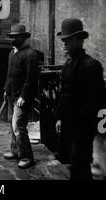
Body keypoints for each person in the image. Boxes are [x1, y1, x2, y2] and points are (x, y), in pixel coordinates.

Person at [55, 18, 105, 180]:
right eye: (63, 40)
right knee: (71, 160)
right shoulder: (67, 66)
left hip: (84, 125)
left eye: (67, 40)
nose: (64, 44)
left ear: (79, 41)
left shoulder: (92, 65)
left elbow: (98, 98)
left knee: (79, 162)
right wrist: (60, 118)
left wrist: (80, 117)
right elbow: (64, 94)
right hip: (69, 123)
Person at [3, 24, 39, 169]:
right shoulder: (12, 54)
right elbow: (9, 75)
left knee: (19, 126)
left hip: (22, 97)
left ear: (23, 37)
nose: (12, 39)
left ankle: (27, 157)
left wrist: (24, 96)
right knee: (12, 124)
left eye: (15, 37)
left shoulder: (31, 55)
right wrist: (6, 89)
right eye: (11, 36)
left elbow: (31, 79)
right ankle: (16, 151)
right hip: (12, 95)